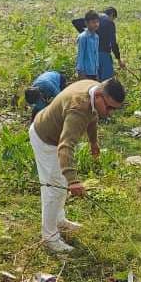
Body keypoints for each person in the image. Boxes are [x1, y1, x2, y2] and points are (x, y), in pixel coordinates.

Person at [29, 78, 126, 254]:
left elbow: (93, 117)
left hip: (53, 130)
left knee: (60, 184)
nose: (110, 113)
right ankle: (50, 238)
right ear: (98, 96)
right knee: (55, 188)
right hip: (46, 138)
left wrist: (93, 142)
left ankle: (59, 219)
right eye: (110, 108)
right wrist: (73, 181)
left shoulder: (94, 89)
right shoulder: (78, 109)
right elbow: (65, 145)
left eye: (114, 109)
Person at [97, 7, 125, 82]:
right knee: (107, 82)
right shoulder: (109, 22)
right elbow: (113, 43)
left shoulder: (94, 19)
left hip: (90, 55)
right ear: (112, 14)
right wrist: (119, 60)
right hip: (103, 55)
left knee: (95, 82)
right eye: (114, 18)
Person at [76, 10, 101, 81]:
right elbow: (80, 55)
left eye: (97, 22)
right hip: (85, 73)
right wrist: (81, 73)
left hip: (94, 72)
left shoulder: (96, 37)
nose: (96, 24)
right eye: (93, 22)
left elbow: (96, 55)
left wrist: (97, 72)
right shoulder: (83, 37)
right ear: (86, 23)